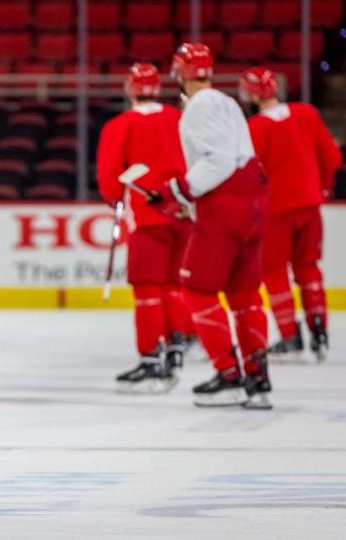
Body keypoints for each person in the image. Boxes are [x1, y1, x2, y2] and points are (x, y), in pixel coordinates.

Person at [148, 43, 272, 410]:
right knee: (244, 294)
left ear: (180, 73)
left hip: (224, 206)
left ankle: (230, 375)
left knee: (198, 290)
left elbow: (217, 163)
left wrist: (177, 190)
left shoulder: (198, 108)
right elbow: (241, 157)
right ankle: (257, 377)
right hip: (253, 204)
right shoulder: (229, 103)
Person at [96, 63, 195, 394]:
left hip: (148, 218)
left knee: (148, 288)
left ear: (130, 89)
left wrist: (114, 198)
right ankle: (177, 346)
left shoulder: (120, 125)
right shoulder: (178, 118)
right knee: (173, 285)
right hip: (184, 214)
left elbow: (111, 180)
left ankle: (152, 358)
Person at [238, 67, 342, 362]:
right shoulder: (306, 114)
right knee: (308, 267)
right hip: (309, 205)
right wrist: (321, 188)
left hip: (276, 212)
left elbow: (250, 175)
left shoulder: (257, 127)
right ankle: (319, 329)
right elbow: (332, 157)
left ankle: (289, 334)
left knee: (274, 271)